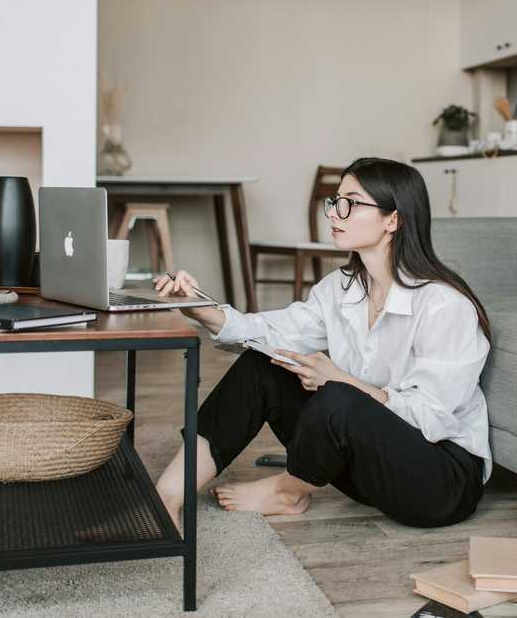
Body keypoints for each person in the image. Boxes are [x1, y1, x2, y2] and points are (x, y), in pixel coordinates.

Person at [152, 157, 493, 530]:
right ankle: (166, 496)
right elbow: (269, 332)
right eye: (334, 202)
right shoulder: (341, 287)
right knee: (262, 365)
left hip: (440, 481)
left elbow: (432, 418)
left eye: (351, 203)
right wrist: (199, 307)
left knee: (338, 396)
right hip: (373, 470)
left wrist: (340, 381)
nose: (333, 213)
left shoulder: (444, 306)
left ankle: (289, 490)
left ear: (392, 220)